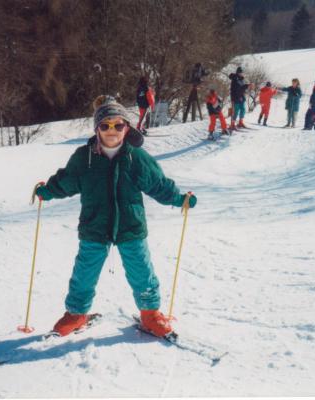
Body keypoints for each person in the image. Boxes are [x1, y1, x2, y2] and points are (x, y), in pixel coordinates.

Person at [35, 96, 197, 338]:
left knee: (142, 271)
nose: (112, 131)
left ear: (127, 128)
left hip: (130, 226)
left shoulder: (136, 158)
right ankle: (76, 314)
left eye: (118, 125)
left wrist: (179, 199)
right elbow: (67, 181)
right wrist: (46, 191)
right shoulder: (84, 158)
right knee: (84, 273)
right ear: (97, 129)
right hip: (94, 226)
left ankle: (150, 314)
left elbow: (158, 185)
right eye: (105, 125)